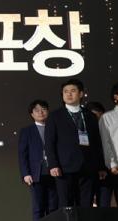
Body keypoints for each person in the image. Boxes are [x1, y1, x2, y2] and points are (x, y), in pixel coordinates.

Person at [44, 78, 106, 208]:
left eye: (73, 91)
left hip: (88, 166)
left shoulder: (90, 116)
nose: (69, 94)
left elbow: (97, 142)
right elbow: (49, 143)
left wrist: (100, 166)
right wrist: (53, 165)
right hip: (64, 167)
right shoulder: (55, 116)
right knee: (66, 204)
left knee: (86, 203)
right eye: (65, 91)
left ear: (81, 94)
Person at [17, 100, 57, 221]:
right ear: (32, 114)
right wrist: (26, 173)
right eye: (37, 110)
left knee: (53, 207)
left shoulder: (55, 128)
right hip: (36, 174)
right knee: (38, 207)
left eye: (43, 109)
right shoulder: (27, 131)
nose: (40, 112)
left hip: (55, 172)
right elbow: (22, 154)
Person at [98, 82, 118, 207]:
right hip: (117, 167)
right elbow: (105, 142)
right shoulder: (107, 117)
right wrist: (112, 164)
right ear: (116, 96)